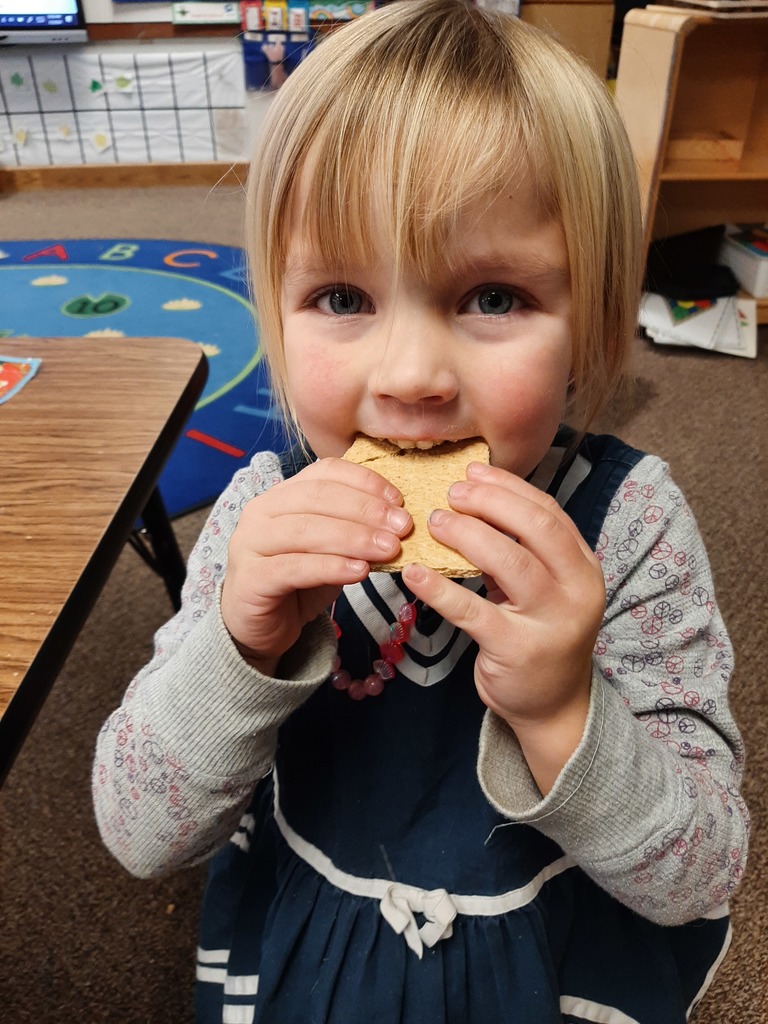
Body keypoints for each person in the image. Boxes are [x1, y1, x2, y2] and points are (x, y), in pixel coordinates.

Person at [92, 2, 749, 1021]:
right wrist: (238, 649)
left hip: (542, 960)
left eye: (492, 298)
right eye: (342, 298)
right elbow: (138, 833)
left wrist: (564, 711)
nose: (409, 376)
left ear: (589, 326)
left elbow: (699, 875)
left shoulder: (629, 527)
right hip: (318, 954)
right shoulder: (262, 514)